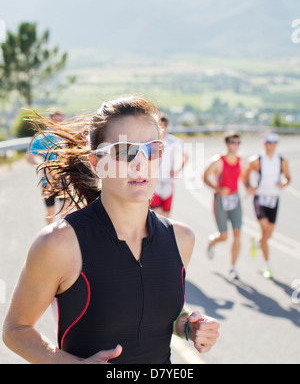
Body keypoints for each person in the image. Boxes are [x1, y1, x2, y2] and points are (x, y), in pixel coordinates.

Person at [3, 96, 220, 364]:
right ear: (96, 162)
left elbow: (153, 309)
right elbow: (16, 330)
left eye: (152, 149)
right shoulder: (59, 243)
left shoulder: (181, 238)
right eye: (125, 151)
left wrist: (187, 325)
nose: (141, 163)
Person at [244, 133, 291, 279]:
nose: (272, 145)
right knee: (265, 232)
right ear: (264, 143)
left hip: (273, 199)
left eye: (275, 142)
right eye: (270, 142)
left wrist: (283, 182)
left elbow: (288, 178)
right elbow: (245, 175)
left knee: (268, 235)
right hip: (260, 199)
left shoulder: (282, 161)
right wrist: (248, 187)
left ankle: (257, 243)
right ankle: (267, 265)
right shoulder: (256, 160)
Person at [203, 132, 247, 280]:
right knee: (224, 236)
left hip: (235, 201)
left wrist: (249, 187)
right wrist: (218, 189)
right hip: (221, 201)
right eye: (233, 142)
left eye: (238, 142)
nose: (235, 145)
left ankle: (233, 267)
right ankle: (213, 241)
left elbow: (242, 177)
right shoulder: (218, 161)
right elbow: (204, 176)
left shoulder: (241, 161)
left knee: (237, 234)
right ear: (227, 143)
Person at [26, 110, 66, 224]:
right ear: (50, 121)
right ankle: (49, 235)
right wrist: (40, 165)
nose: (58, 122)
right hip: (48, 182)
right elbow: (29, 156)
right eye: (55, 120)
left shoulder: (67, 136)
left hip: (64, 180)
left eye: (60, 120)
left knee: (65, 213)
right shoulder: (43, 137)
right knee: (51, 213)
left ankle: (62, 238)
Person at [150, 115, 189, 218]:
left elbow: (186, 156)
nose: (163, 128)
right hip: (154, 183)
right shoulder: (150, 142)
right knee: (157, 214)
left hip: (168, 183)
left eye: (165, 125)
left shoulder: (174, 141)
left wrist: (178, 170)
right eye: (160, 125)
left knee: (166, 217)